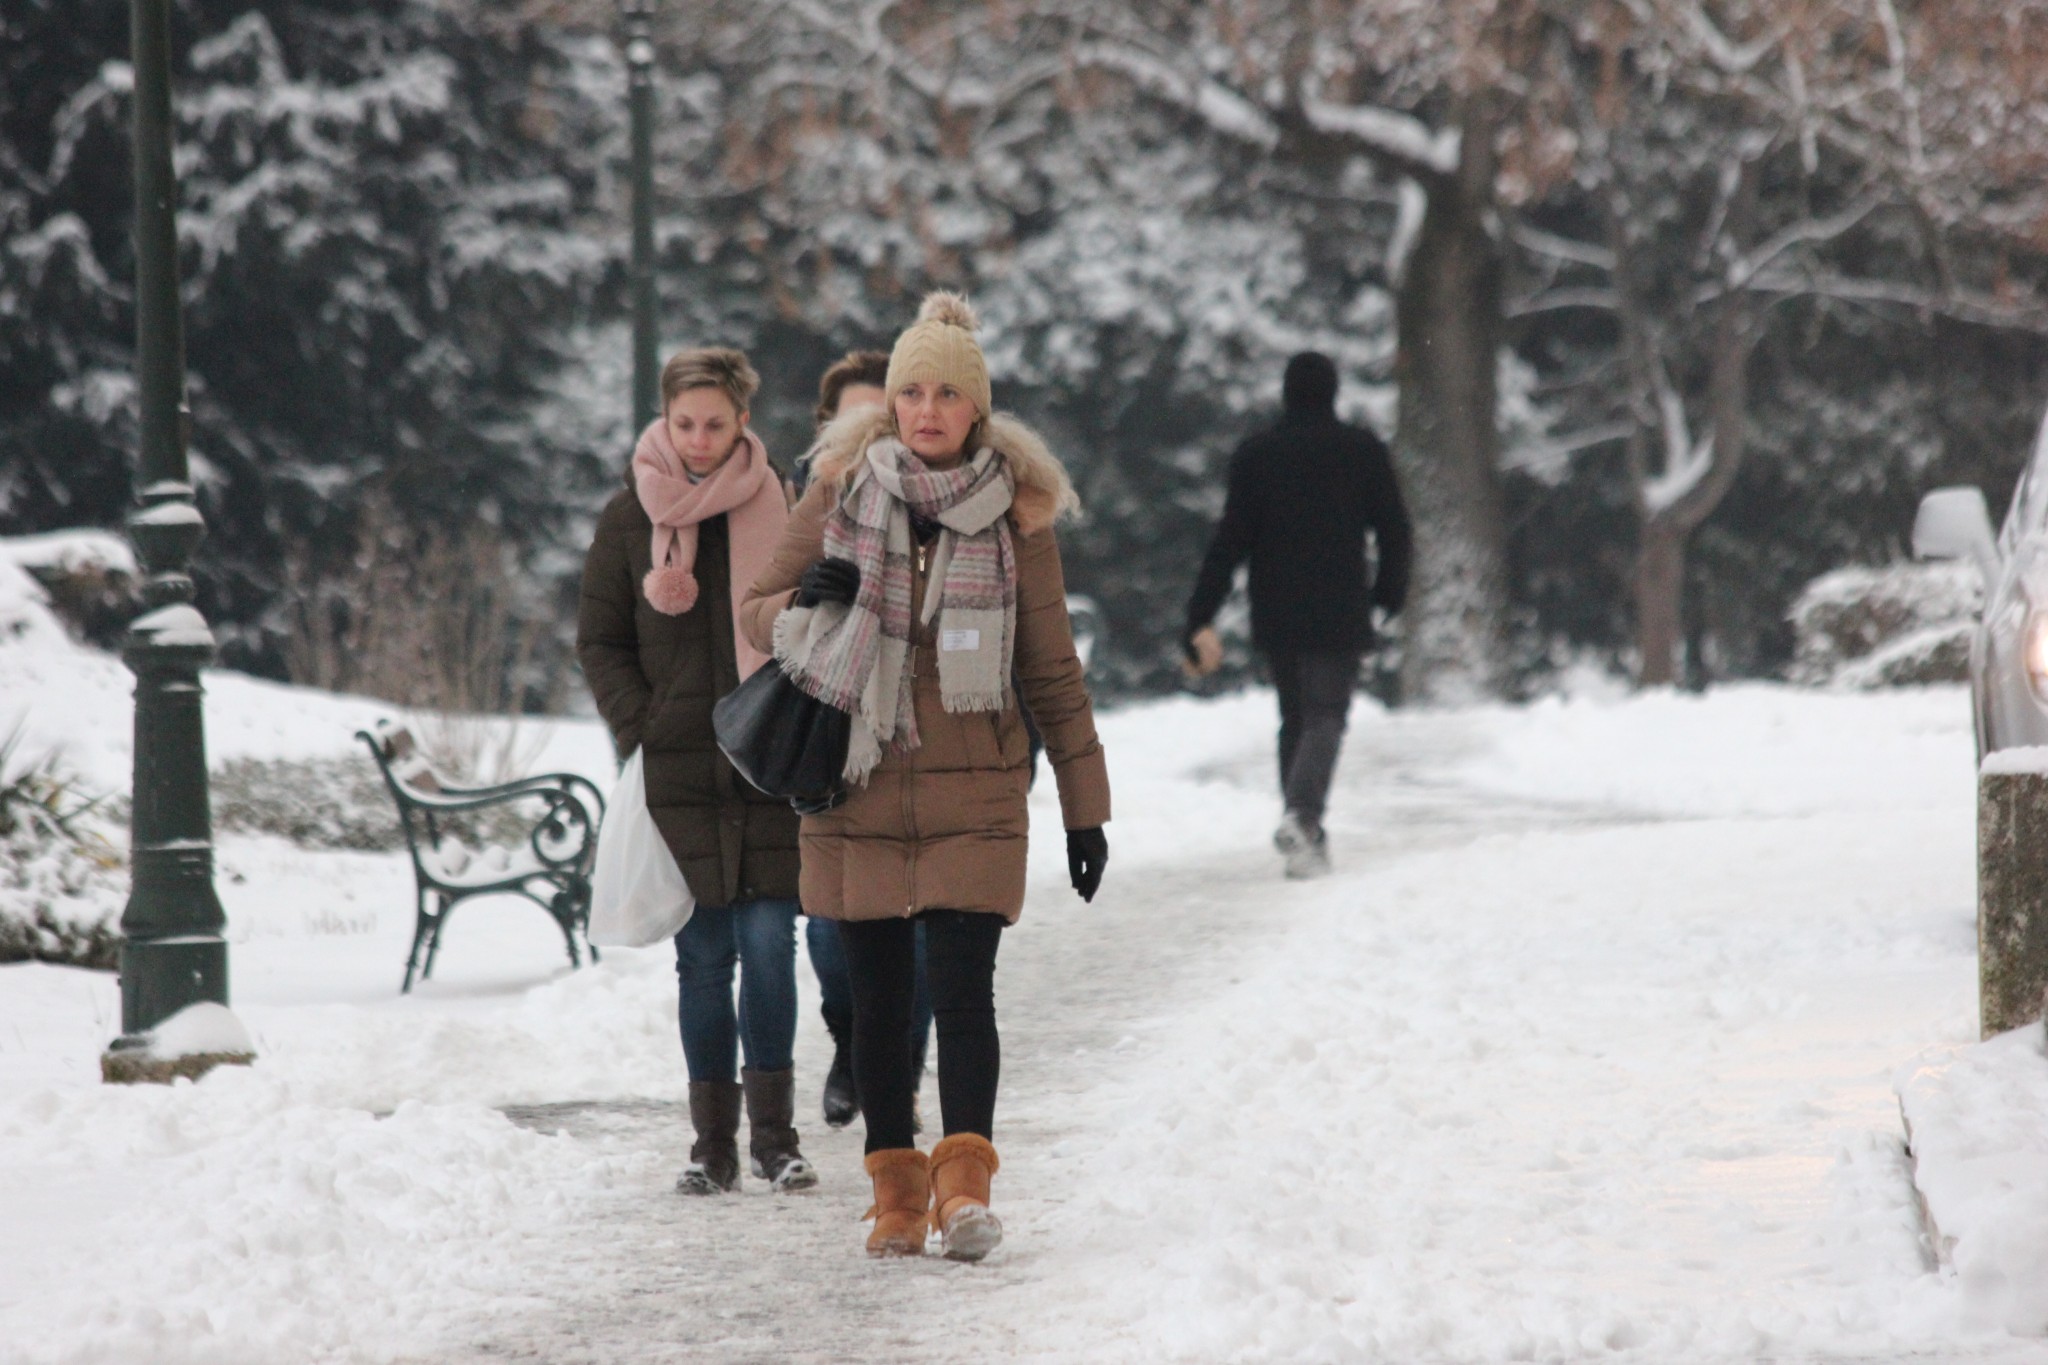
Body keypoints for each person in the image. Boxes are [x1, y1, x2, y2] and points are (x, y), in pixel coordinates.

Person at [740, 292, 1110, 1261]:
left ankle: (964, 1192)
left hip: (974, 792)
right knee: (874, 1005)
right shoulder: (838, 491)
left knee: (961, 994)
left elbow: (1049, 669)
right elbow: (756, 609)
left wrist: (1084, 809)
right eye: (911, 391)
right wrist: (803, 598)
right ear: (892, 402)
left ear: (976, 408)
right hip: (854, 781)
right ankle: (895, 1193)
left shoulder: (1018, 515)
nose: (927, 408)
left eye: (948, 392)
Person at [576, 347, 815, 1195]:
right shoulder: (629, 517)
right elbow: (600, 639)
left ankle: (775, 1138)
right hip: (677, 766)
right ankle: (711, 1144)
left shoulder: (787, 505)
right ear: (665, 420)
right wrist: (642, 722)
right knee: (704, 960)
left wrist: (797, 712)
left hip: (766, 761)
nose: (700, 438)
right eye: (686, 423)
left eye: (717, 422)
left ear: (743, 420)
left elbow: (819, 619)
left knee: (769, 946)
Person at [1181, 351, 1412, 880]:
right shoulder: (1361, 451)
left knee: (1297, 716)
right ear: (1333, 394)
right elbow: (1395, 529)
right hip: (1340, 604)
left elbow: (1230, 541)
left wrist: (1200, 614)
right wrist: (1388, 594)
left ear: (1286, 395)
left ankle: (1303, 830)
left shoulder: (1258, 455)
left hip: (1277, 606)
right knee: (1327, 713)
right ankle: (1304, 819)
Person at [800, 349, 935, 1132]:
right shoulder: (807, 497)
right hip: (825, 747)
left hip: (913, 753)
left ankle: (899, 1080)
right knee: (828, 930)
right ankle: (851, 1042)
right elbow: (761, 607)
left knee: (910, 936)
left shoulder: (934, 498)